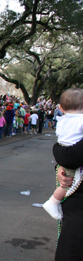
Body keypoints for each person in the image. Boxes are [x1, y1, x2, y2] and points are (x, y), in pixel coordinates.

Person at [43, 88, 83, 221]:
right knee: (68, 184)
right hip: (68, 155)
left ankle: (55, 201)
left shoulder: (62, 120)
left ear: (60, 107)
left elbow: (60, 140)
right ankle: (54, 201)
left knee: (66, 183)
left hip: (64, 147)